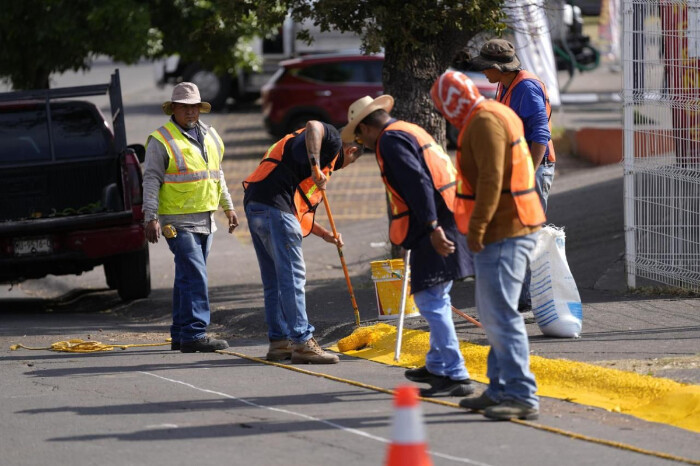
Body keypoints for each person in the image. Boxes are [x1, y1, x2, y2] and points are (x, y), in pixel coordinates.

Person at [341, 95, 474, 397]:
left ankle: (456, 374)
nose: (362, 142)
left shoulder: (390, 141)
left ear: (365, 126)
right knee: (436, 295)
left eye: (359, 135)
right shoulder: (407, 129)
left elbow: (418, 184)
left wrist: (431, 228)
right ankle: (438, 365)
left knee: (430, 300)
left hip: (437, 223)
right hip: (448, 216)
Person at [431, 70, 545, 420]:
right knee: (496, 315)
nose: (445, 116)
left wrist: (476, 230)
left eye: (443, 108)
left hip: (504, 229)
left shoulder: (483, 121)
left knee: (502, 315)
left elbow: (493, 179)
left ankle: (522, 395)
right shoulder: (491, 113)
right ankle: (498, 389)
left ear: (453, 103)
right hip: (509, 226)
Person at [243, 120, 362, 364]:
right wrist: (316, 166)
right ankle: (302, 341)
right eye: (351, 162)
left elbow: (295, 215)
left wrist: (325, 234)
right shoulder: (332, 141)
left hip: (257, 205)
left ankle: (279, 343)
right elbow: (313, 126)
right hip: (273, 206)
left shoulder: (301, 159)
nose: (344, 167)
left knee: (274, 279)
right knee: (292, 277)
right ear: (351, 151)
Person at [142, 82, 237, 353]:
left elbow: (216, 175)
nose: (190, 111)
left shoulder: (211, 136)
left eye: (194, 106)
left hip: (206, 219)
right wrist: (150, 217)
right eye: (184, 107)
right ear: (174, 109)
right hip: (176, 221)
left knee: (186, 276)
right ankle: (196, 333)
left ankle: (181, 334)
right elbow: (151, 180)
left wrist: (228, 208)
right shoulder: (161, 140)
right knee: (196, 274)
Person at [469, 38, 556, 313]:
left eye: (486, 67)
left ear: (498, 66)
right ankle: (520, 300)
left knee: (526, 234)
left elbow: (541, 133)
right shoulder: (505, 84)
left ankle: (528, 304)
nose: (483, 72)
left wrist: (528, 173)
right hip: (520, 169)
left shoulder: (526, 87)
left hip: (533, 169)